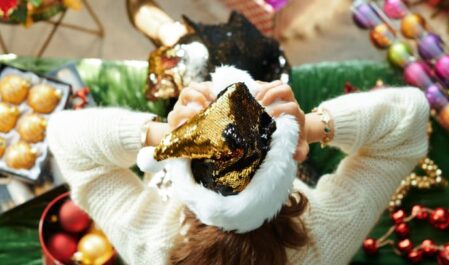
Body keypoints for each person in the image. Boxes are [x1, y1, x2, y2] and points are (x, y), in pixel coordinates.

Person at [47, 80, 429, 265]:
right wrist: (313, 126)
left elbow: (65, 137)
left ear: (182, 161)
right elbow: (408, 119)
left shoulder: (152, 245)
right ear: (288, 160)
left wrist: (163, 134)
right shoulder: (322, 240)